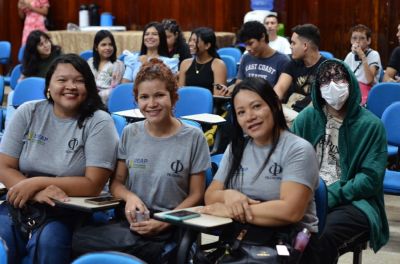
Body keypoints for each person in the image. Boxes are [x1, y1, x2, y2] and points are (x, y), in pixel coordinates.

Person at [0, 54, 119, 264]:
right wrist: (34, 193)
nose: (70, 86)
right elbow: (4, 165)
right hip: (22, 203)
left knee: (48, 243)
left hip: (70, 210)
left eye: (79, 80)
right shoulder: (28, 112)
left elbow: (92, 184)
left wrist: (37, 182)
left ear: (89, 87)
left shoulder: (99, 122)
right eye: (62, 80)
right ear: (48, 87)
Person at [201, 77, 319, 263]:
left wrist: (230, 211)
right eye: (241, 112)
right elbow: (211, 196)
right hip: (240, 243)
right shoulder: (237, 148)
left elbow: (290, 211)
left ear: (274, 105)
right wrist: (229, 196)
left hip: (287, 247)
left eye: (256, 106)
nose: (249, 117)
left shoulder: (298, 149)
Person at [110, 59, 210, 263]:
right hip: (133, 222)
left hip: (172, 223)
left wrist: (165, 222)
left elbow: (197, 195)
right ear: (137, 100)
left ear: (173, 98)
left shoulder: (193, 137)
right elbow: (117, 184)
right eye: (144, 97)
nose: (152, 104)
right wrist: (130, 197)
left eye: (159, 95)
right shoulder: (130, 132)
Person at [292, 59, 389, 263]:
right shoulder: (306, 119)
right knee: (281, 230)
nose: (333, 85)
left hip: (355, 201)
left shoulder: (371, 126)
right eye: (325, 80)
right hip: (307, 197)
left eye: (338, 78)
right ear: (317, 87)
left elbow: (369, 180)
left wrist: (330, 196)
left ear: (350, 81)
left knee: (320, 236)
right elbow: (290, 162)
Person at [273, 23, 326, 123]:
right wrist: (271, 104)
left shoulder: (325, 68)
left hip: (311, 117)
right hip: (291, 111)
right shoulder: (293, 63)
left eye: (293, 43)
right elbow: (279, 88)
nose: (290, 47)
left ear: (305, 46)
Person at [235, 21, 289, 87]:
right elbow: (238, 86)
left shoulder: (282, 60)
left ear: (262, 37)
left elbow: (281, 91)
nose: (247, 49)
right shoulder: (246, 58)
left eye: (250, 43)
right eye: (245, 45)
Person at [179, 27, 228, 96]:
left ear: (207, 45)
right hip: (188, 104)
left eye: (195, 41)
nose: (190, 43)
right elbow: (181, 93)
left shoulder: (218, 65)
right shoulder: (185, 64)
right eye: (190, 40)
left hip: (209, 105)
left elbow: (217, 96)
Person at [344, 24, 382, 105]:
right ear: (351, 41)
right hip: (352, 89)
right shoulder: (350, 55)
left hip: (368, 91)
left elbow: (369, 80)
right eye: (354, 38)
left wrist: (363, 57)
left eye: (362, 38)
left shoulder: (374, 54)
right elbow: (343, 76)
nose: (357, 41)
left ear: (368, 41)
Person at [87, 30, 125, 104]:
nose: (107, 48)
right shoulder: (90, 62)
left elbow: (114, 90)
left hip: (106, 103)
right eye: (103, 45)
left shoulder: (118, 65)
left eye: (110, 44)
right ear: (96, 47)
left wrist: (95, 96)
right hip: (88, 100)